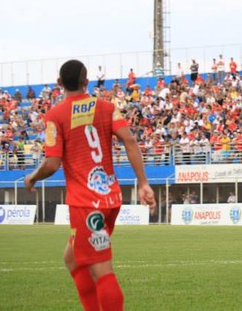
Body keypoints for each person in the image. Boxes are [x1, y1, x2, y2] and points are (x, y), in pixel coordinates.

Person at [24, 59, 156, 311]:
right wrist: (143, 182)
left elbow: (52, 164)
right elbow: (129, 140)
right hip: (110, 200)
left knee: (101, 269)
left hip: (86, 205)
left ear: (59, 83)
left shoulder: (55, 115)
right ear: (87, 81)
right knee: (72, 259)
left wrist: (33, 177)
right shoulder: (107, 108)